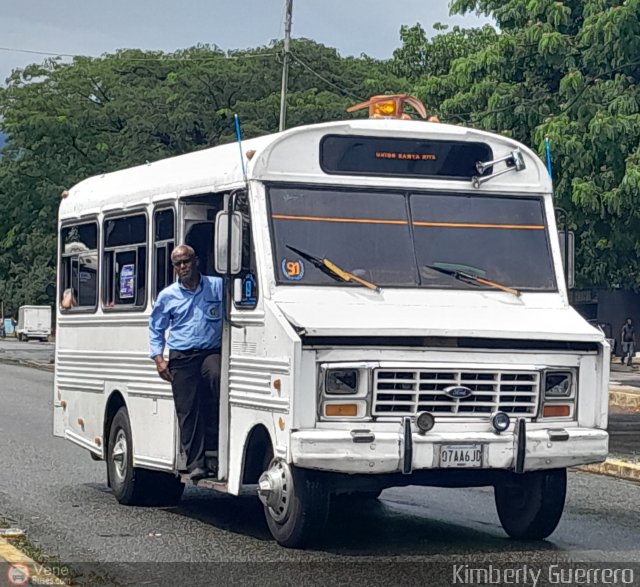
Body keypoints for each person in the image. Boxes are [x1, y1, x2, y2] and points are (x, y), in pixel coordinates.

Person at [149, 244, 224, 482]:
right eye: (178, 263)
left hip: (210, 351)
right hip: (181, 357)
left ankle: (220, 442)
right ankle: (196, 464)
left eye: (186, 262)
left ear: (196, 261)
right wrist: (159, 359)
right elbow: (156, 328)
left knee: (219, 378)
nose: (182, 267)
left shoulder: (217, 286)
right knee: (187, 410)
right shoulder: (168, 296)